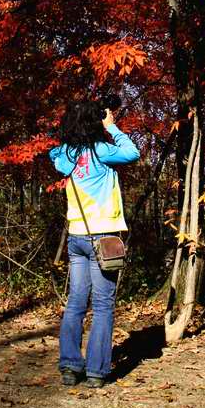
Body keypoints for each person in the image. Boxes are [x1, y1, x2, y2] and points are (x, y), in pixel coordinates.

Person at [50, 99, 139, 388]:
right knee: (102, 305)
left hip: (77, 236)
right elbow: (132, 152)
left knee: (75, 302)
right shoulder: (102, 150)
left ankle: (69, 367)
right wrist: (111, 126)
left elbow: (54, 154)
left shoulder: (66, 155)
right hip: (105, 236)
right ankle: (96, 372)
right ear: (95, 123)